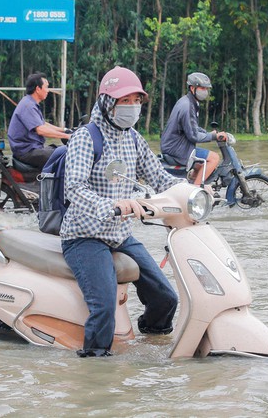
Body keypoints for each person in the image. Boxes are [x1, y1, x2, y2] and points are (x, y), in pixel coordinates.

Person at [61, 66, 182, 357]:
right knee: (104, 309)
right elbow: (73, 189)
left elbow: (160, 177)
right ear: (107, 102)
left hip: (120, 234)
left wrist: (192, 192)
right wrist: (111, 205)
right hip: (84, 236)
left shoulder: (134, 139)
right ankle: (95, 366)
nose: (131, 107)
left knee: (166, 297)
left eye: (136, 101)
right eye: (124, 101)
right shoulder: (85, 137)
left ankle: (151, 345)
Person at [160, 72, 228, 185]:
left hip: (174, 146)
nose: (205, 91)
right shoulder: (187, 106)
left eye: (206, 88)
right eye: (202, 88)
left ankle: (191, 182)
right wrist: (214, 136)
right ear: (192, 88)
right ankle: (195, 192)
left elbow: (193, 127)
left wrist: (208, 133)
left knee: (201, 165)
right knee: (214, 158)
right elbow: (193, 136)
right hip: (177, 149)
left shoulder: (188, 101)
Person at [7, 72, 71, 169]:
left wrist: (65, 130)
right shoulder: (28, 105)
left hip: (32, 149)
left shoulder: (30, 103)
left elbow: (43, 124)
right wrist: (67, 136)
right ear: (38, 89)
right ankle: (57, 183)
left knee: (61, 149)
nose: (48, 91)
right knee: (65, 155)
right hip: (27, 152)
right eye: (46, 87)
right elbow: (41, 130)